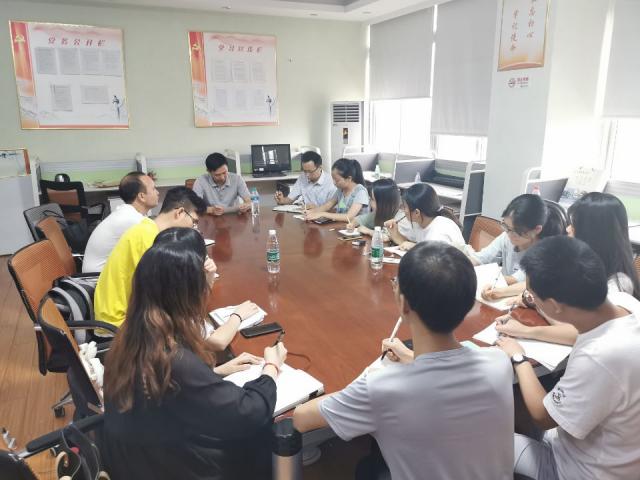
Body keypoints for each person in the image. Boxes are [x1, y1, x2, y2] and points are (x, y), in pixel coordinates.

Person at [293, 243, 514, 480]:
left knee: (367, 469)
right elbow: (444, 376)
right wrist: (410, 357)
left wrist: (364, 383)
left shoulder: (382, 388)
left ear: (403, 304)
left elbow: (301, 418)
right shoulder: (498, 362)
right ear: (470, 303)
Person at [102, 228, 287, 480]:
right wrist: (271, 368)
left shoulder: (133, 333)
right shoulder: (173, 359)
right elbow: (248, 412)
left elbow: (171, 393)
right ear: (186, 293)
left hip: (142, 461)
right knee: (269, 434)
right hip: (177, 467)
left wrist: (214, 373)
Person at [495, 236, 640, 480]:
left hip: (579, 469)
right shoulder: (624, 304)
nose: (530, 299)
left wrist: (518, 356)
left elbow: (543, 417)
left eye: (533, 296)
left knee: (478, 440)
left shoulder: (598, 358)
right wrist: (527, 329)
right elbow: (576, 329)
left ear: (554, 305)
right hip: (618, 450)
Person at [495, 192, 640, 345]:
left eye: (574, 226)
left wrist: (526, 329)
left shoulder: (617, 284)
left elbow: (580, 332)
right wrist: (532, 297)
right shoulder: (580, 261)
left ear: (593, 234)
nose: (568, 229)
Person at [94, 187, 209, 330]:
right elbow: (164, 297)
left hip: (129, 312)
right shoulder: (149, 240)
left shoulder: (148, 228)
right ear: (180, 212)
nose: (193, 228)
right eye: (194, 222)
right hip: (118, 323)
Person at [469, 194, 566, 301]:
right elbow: (481, 258)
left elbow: (519, 280)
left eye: (517, 231)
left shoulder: (546, 251)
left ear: (537, 229)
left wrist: (490, 282)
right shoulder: (507, 236)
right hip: (500, 295)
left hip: (523, 302)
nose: (510, 234)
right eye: (506, 226)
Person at [82, 172, 159, 273]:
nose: (157, 192)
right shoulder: (131, 219)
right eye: (153, 189)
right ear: (141, 196)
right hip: (97, 278)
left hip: (105, 274)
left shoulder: (126, 212)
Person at [384, 183, 464, 250]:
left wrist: (414, 247)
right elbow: (406, 244)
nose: (402, 210)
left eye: (404, 207)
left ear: (416, 212)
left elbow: (435, 259)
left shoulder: (439, 231)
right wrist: (395, 233)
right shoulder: (421, 223)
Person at [304, 158, 369, 223]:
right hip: (342, 226)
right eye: (333, 179)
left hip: (356, 228)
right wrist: (312, 212)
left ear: (349, 178)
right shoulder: (340, 190)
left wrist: (323, 214)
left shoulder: (360, 192)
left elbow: (349, 217)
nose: (334, 183)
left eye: (337, 180)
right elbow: (328, 205)